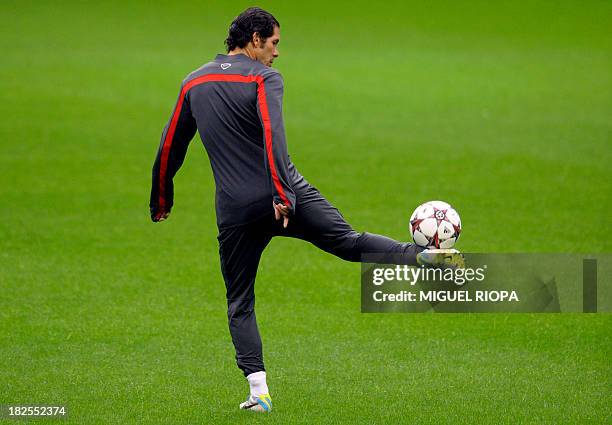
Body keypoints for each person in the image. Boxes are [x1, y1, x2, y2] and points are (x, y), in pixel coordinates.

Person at [150, 7, 457, 412]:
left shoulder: (194, 81)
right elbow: (273, 136)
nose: (277, 53)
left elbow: (171, 143)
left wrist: (161, 198)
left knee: (240, 300)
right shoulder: (264, 78)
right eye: (274, 43)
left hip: (235, 211)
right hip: (287, 196)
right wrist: (281, 194)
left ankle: (258, 392)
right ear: (255, 39)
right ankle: (423, 258)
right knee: (347, 242)